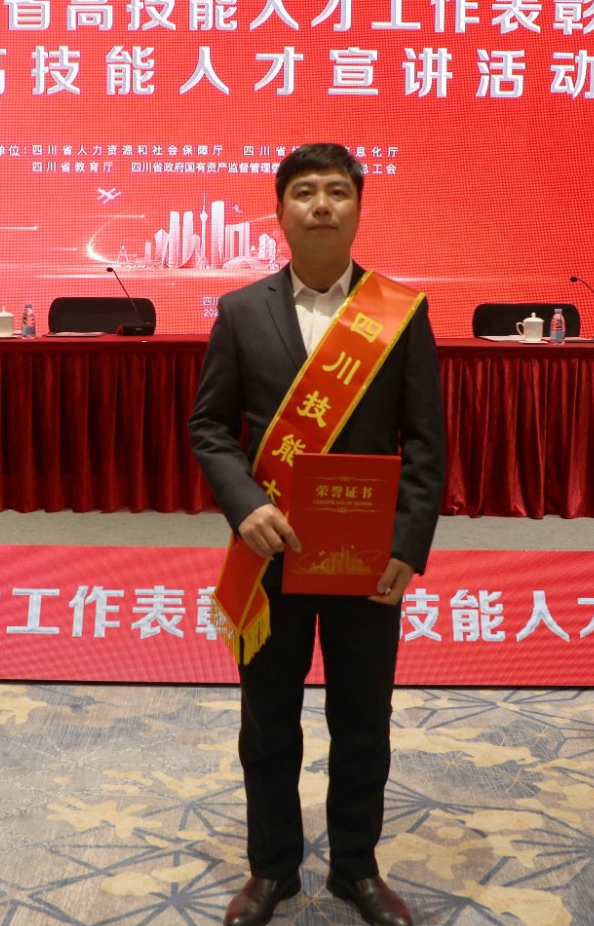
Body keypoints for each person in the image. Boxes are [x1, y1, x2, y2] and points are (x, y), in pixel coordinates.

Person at [188, 143, 445, 926]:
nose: (322, 205)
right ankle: (271, 870)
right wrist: (244, 505)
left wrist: (407, 546)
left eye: (338, 191)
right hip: (271, 556)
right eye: (305, 192)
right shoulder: (240, 311)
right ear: (280, 212)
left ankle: (357, 870)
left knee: (363, 721)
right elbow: (210, 427)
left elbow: (426, 442)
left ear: (359, 209)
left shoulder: (400, 312)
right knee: (268, 723)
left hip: (365, 560)